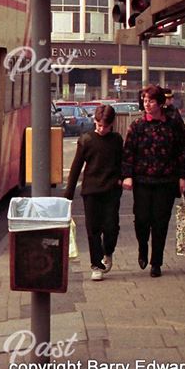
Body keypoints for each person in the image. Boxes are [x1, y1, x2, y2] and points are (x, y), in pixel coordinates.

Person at [121, 85, 185, 277]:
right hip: (142, 181)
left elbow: (182, 152)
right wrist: (127, 175)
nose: (147, 104)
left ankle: (156, 262)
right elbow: (128, 153)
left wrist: (183, 177)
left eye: (151, 101)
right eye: (145, 101)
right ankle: (143, 247)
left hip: (166, 181)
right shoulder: (137, 126)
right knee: (142, 220)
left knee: (160, 222)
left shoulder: (173, 125)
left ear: (160, 103)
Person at [65, 104, 124, 281]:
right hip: (90, 190)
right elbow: (76, 168)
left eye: (105, 126)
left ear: (112, 123)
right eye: (98, 125)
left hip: (112, 189)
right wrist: (68, 195)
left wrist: (123, 177)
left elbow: (122, 162)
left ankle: (108, 251)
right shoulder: (86, 140)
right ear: (94, 121)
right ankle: (96, 265)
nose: (101, 129)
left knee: (111, 226)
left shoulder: (116, 140)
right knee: (93, 229)